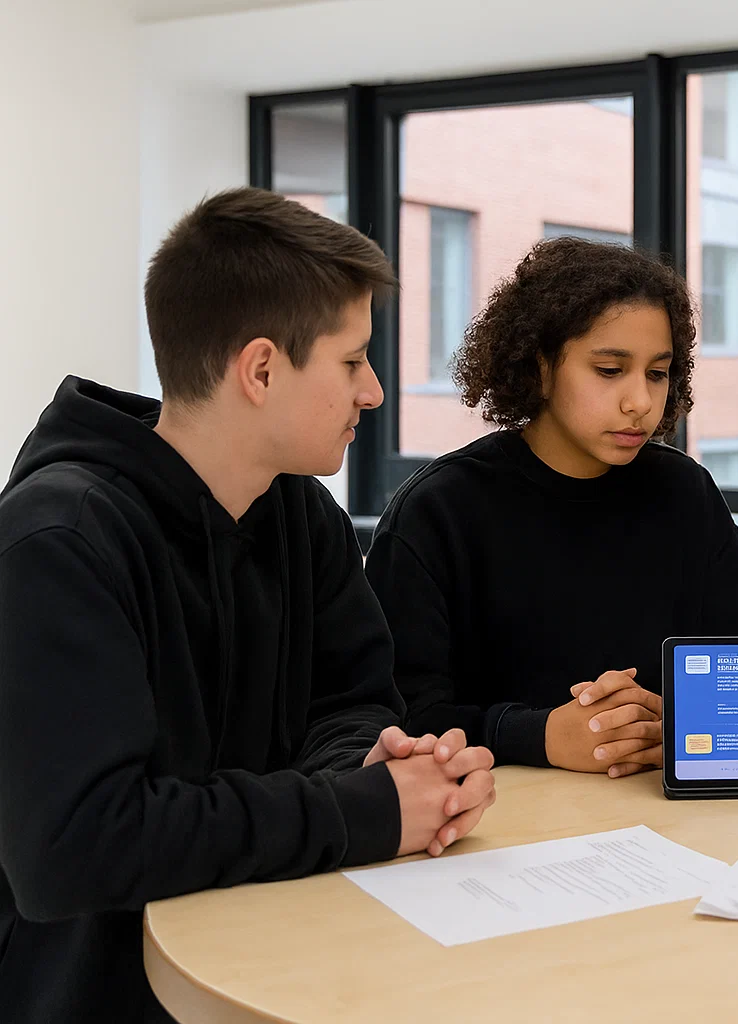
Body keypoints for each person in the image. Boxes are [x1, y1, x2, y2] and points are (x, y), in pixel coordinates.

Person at [0, 188, 498, 1023]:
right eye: (351, 362)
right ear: (262, 369)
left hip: (281, 954)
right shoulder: (58, 542)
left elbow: (350, 701)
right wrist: (363, 812)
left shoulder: (305, 519)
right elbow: (74, 850)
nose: (372, 393)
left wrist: (376, 764)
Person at [365, 236, 738, 778]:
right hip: (494, 827)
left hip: (665, 822)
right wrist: (539, 735)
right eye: (609, 371)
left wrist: (674, 725)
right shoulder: (439, 510)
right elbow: (397, 718)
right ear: (539, 367)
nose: (641, 402)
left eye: (657, 373)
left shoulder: (686, 494)